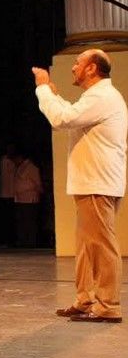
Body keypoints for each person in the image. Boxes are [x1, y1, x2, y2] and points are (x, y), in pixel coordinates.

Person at [33, 48, 126, 323]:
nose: (73, 68)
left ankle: (108, 305)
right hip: (92, 181)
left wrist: (43, 89)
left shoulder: (102, 96)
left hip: (98, 182)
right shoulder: (96, 97)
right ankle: (86, 299)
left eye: (77, 63)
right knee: (86, 247)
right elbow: (72, 116)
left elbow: (63, 119)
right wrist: (55, 97)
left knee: (102, 247)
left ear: (91, 68)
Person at [13, 153, 42, 248]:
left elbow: (38, 183)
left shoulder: (32, 168)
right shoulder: (20, 167)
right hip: (20, 199)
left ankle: (30, 242)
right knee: (22, 222)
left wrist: (38, 191)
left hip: (30, 199)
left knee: (29, 222)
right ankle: (23, 241)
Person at [0, 142, 18, 248]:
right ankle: (6, 241)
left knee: (12, 219)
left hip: (13, 194)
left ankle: (12, 241)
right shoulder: (5, 161)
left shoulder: (11, 161)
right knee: (7, 219)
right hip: (6, 194)